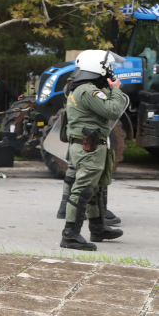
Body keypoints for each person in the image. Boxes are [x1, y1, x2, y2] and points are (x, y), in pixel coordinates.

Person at [59, 50, 128, 251]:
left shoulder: (79, 89)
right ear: (98, 67)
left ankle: (98, 227)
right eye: (108, 68)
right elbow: (114, 110)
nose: (110, 72)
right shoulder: (88, 91)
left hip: (88, 145)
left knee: (94, 188)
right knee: (83, 189)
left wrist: (108, 88)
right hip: (89, 147)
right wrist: (116, 89)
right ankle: (70, 235)